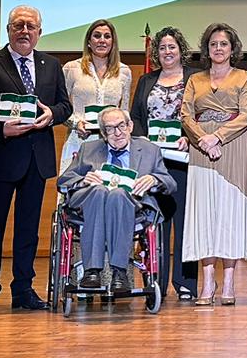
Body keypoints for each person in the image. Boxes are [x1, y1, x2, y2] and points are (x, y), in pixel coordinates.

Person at [0, 4, 71, 313]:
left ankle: (23, 290)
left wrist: (52, 114)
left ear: (40, 32)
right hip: (1, 156)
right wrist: (1, 129)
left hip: (37, 160)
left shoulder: (51, 65)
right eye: (19, 25)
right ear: (9, 30)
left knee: (28, 230)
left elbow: (65, 105)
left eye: (31, 26)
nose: (25, 31)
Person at [179, 22, 247, 305]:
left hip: (234, 146)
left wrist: (217, 138)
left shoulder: (244, 77)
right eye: (213, 44)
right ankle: (207, 282)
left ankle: (228, 282)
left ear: (232, 48)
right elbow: (186, 115)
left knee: (229, 214)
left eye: (223, 44)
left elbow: (246, 114)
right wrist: (203, 139)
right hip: (201, 148)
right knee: (204, 214)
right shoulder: (195, 80)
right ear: (207, 48)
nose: (218, 48)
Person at [57, 106, 176, 293]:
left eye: (121, 126)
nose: (117, 133)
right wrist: (82, 180)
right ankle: (92, 271)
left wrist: (154, 179)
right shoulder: (88, 148)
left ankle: (119, 271)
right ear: (104, 134)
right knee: (99, 191)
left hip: (132, 207)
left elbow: (170, 183)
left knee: (118, 194)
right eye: (110, 129)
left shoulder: (149, 150)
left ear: (130, 126)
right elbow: (63, 180)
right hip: (91, 205)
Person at [129, 26, 194, 300]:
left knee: (184, 223)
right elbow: (136, 118)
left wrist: (190, 138)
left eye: (172, 47)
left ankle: (186, 283)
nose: (167, 52)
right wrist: (144, 143)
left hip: (183, 160)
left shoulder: (194, 79)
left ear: (181, 50)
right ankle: (154, 282)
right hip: (153, 163)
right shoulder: (146, 80)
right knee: (154, 222)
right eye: (163, 48)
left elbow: (201, 115)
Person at [60, 19, 133, 169]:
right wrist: (76, 123)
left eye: (107, 36)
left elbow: (124, 110)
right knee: (74, 188)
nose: (102, 40)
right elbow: (61, 107)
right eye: (97, 36)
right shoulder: (71, 68)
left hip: (112, 142)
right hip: (78, 139)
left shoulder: (124, 71)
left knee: (107, 190)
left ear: (113, 42)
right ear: (88, 41)